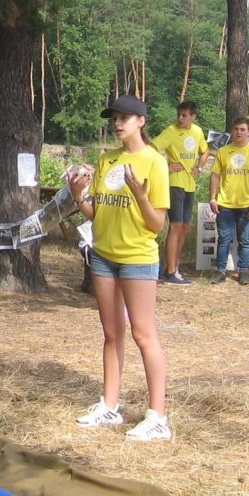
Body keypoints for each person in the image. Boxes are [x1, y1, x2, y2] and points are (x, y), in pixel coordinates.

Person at [67, 94, 172, 442]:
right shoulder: (106, 160)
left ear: (141, 121)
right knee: (112, 334)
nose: (118, 123)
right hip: (103, 256)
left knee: (143, 335)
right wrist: (78, 195)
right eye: (115, 117)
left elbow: (158, 225)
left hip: (138, 258)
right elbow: (97, 213)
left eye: (125, 117)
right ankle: (110, 406)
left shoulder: (154, 162)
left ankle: (158, 416)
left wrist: (140, 195)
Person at [151, 101, 208, 285]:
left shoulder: (198, 132)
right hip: (174, 183)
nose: (180, 118)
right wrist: (166, 167)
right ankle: (170, 271)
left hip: (189, 184)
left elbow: (205, 151)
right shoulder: (171, 131)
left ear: (193, 116)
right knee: (175, 227)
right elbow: (151, 148)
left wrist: (199, 167)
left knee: (184, 227)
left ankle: (174, 266)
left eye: (184, 115)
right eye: (179, 115)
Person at [207, 116, 249, 285]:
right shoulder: (223, 151)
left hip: (246, 204)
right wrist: (212, 198)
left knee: (245, 240)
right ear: (232, 131)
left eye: (242, 129)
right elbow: (215, 176)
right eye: (236, 129)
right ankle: (221, 271)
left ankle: (243, 272)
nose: (239, 132)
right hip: (225, 204)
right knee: (224, 239)